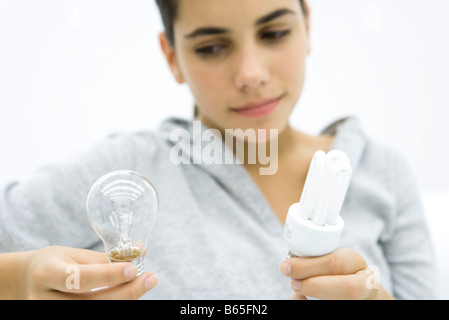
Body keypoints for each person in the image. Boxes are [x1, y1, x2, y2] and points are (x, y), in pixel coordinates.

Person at [0, 0, 436, 300]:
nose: (250, 73)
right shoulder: (127, 173)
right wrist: (18, 279)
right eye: (211, 47)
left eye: (275, 32)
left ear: (307, 26)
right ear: (172, 56)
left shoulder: (383, 173)